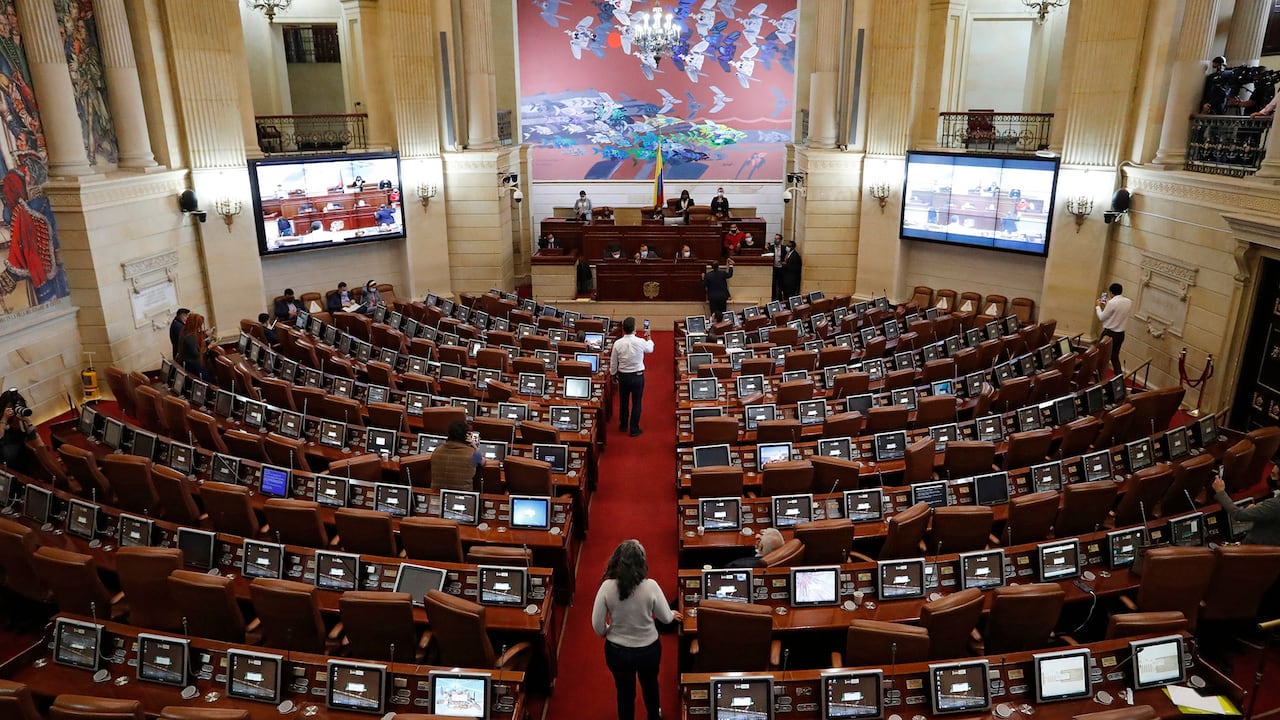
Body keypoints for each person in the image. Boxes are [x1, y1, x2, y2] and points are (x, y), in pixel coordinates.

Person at [592, 539, 679, 720]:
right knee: (650, 686)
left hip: (617, 651)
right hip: (648, 650)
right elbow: (665, 618)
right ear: (642, 563)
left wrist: (609, 630)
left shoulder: (607, 587)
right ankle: (654, 716)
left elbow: (597, 626)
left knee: (624, 691)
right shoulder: (651, 586)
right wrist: (672, 613)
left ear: (616, 560)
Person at [1212, 464, 1280, 546]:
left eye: (1274, 475)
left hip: (1256, 548)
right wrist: (1260, 510)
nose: (1270, 476)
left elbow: (1238, 514)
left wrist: (1220, 492)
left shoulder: (1274, 505)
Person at [609, 317, 653, 437]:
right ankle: (634, 429)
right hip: (638, 376)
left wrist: (613, 374)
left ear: (623, 329)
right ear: (634, 328)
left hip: (623, 376)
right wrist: (649, 336)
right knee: (636, 403)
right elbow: (650, 349)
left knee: (623, 402)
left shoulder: (617, 343)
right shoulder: (640, 342)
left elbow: (613, 362)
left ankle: (623, 425)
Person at [430, 421, 483, 491]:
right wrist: (475, 446)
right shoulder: (473, 453)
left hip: (437, 494)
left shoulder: (437, 450)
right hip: (463, 495)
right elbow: (483, 462)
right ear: (465, 436)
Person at [1, 388, 42, 475]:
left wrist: (28, 422)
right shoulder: (3, 425)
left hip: (25, 465)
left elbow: (39, 445)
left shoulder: (22, 423)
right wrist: (4, 418)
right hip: (8, 468)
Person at [1095, 282, 1132, 377]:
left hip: (1109, 334)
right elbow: (1117, 312)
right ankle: (1119, 377)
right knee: (1114, 357)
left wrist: (1098, 306)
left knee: (1097, 354)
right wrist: (1108, 305)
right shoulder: (1128, 301)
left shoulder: (1112, 303)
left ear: (1111, 292)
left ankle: (1096, 377)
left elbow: (1101, 317)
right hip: (1120, 334)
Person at [178, 312, 215, 382]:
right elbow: (196, 354)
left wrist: (206, 336)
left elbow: (196, 337)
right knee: (211, 379)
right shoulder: (189, 337)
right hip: (193, 366)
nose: (199, 328)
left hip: (188, 363)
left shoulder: (184, 332)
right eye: (198, 326)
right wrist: (209, 347)